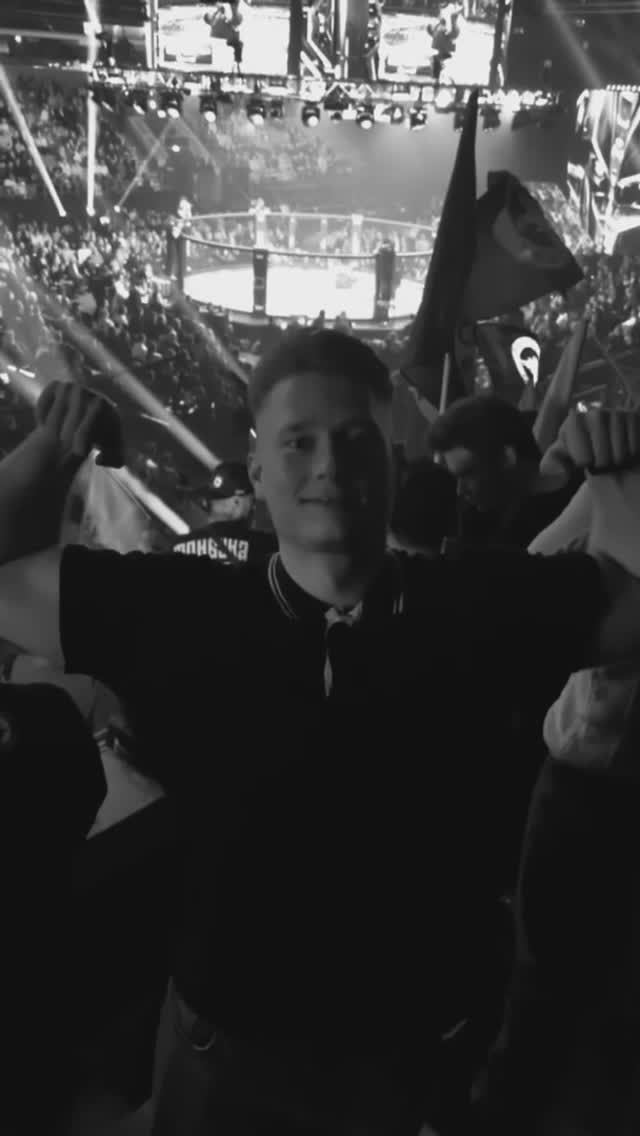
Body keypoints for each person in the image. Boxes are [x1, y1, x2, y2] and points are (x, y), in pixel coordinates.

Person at [0, 331, 640, 1136]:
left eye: (355, 438)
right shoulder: (174, 607)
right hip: (223, 1047)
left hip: (400, 1055)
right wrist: (52, 446)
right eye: (298, 441)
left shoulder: (480, 601)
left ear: (395, 461)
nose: (329, 464)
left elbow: (628, 604)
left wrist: (622, 471)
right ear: (257, 469)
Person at [429, 394, 583, 551]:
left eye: (468, 474)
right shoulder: (476, 522)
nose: (460, 490)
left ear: (506, 457)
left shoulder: (586, 492)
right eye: (456, 477)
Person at [172, 460, 276, 565]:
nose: (253, 507)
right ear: (236, 502)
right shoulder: (266, 546)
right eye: (252, 501)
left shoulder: (177, 548)